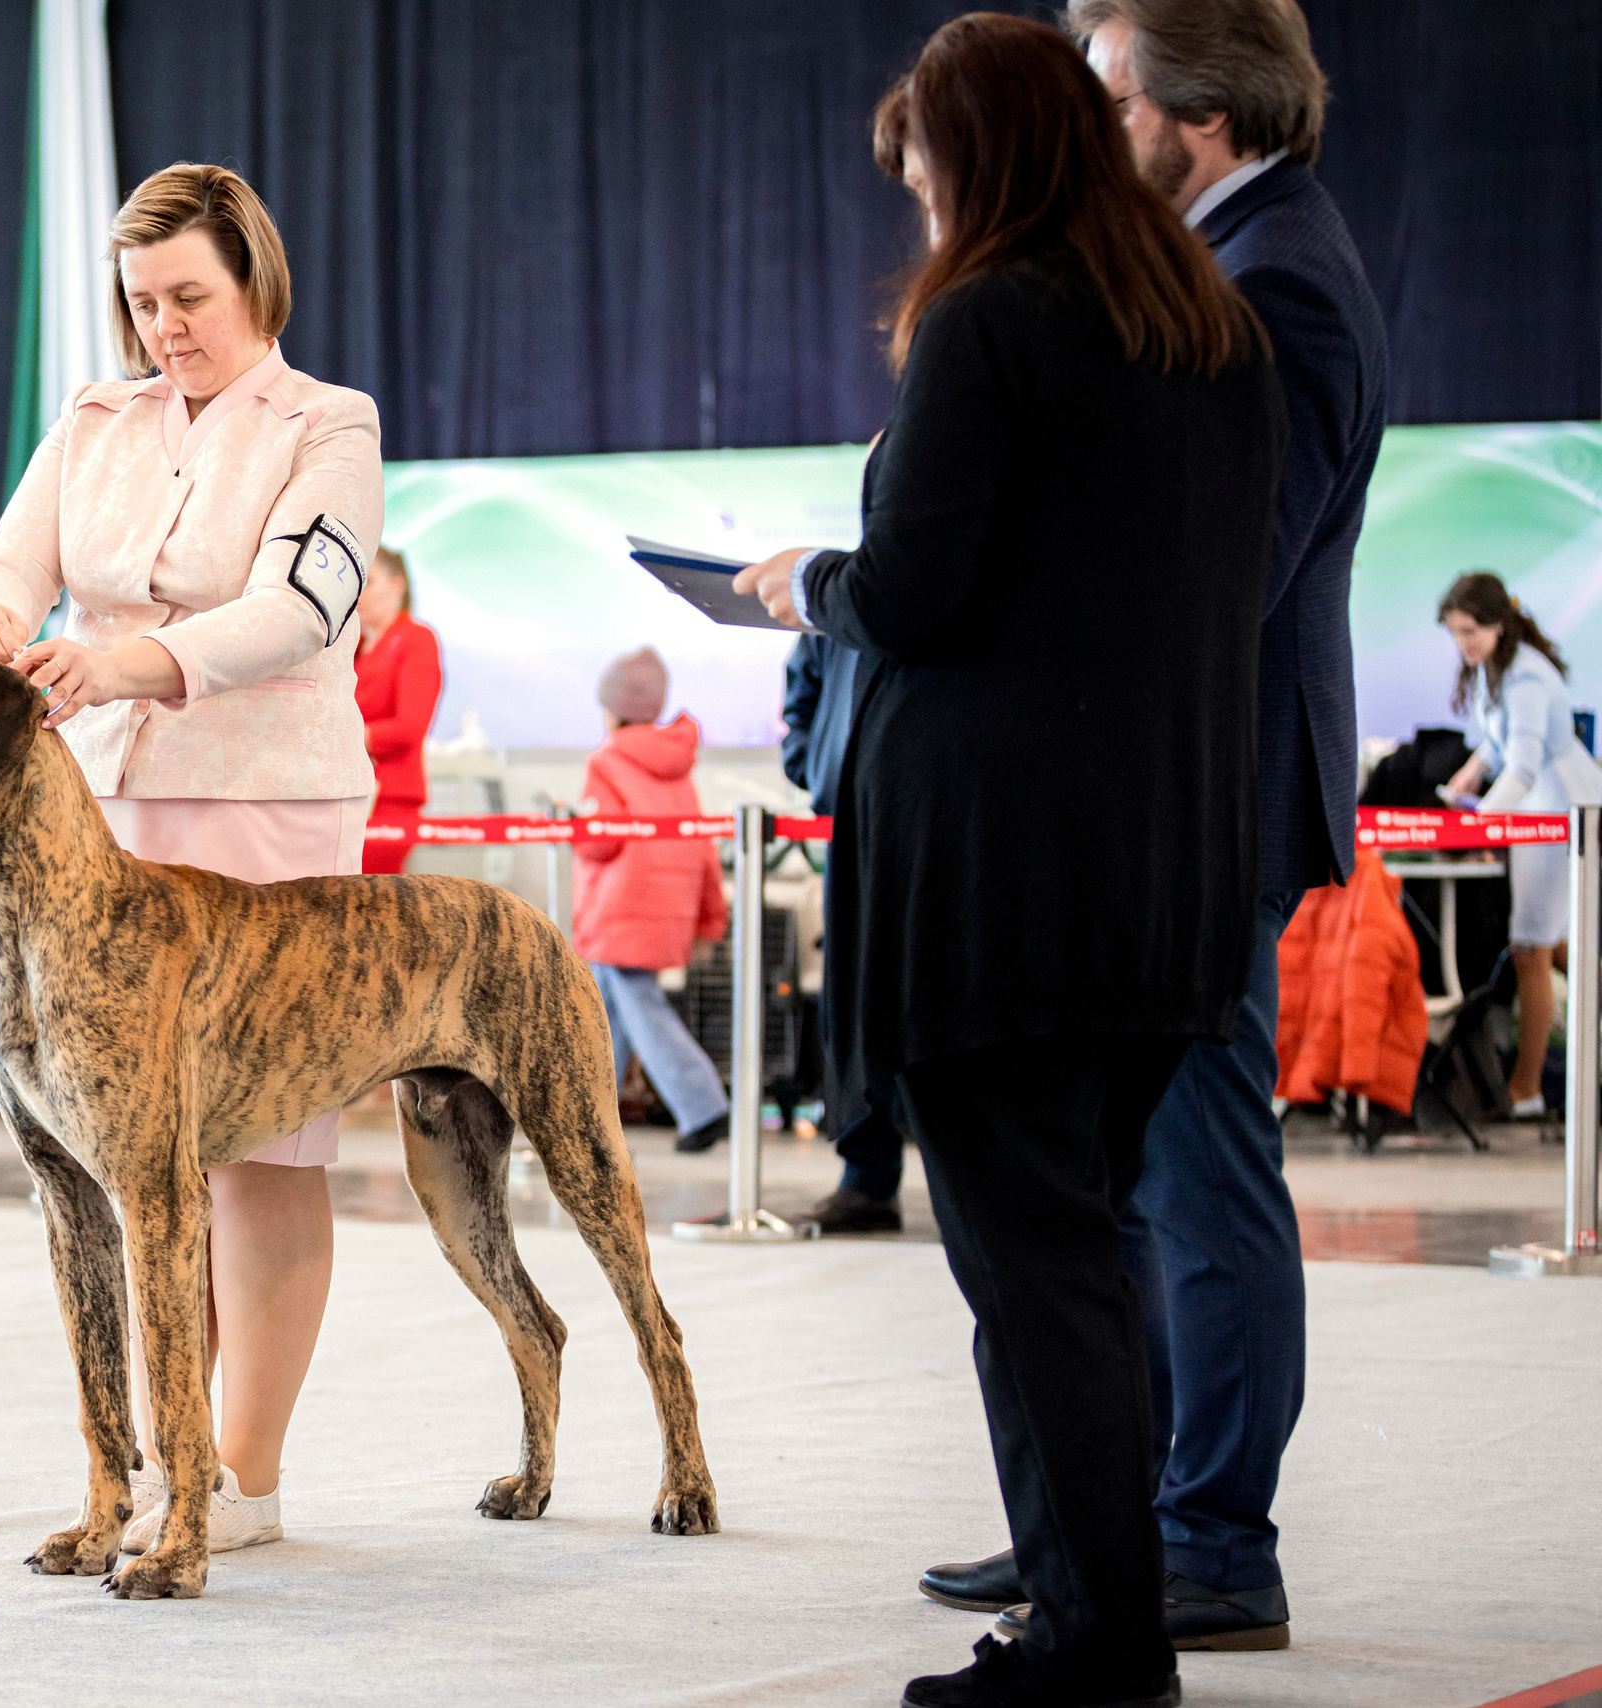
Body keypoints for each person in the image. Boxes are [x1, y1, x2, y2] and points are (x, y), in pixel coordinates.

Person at [740, 16, 1281, 1705]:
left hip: (1001, 891)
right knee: (1080, 1258)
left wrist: (808, 581)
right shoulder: (1211, 331)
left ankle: (1098, 1643)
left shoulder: (990, 317)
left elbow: (914, 592)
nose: (923, 218)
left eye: (926, 185)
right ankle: (1094, 1612)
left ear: (977, 163)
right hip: (1165, 876)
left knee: (1035, 1276)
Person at [911, 0, 1393, 1657]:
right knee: (1113, 1186)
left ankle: (1213, 1540)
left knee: (1198, 1176)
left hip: (1204, 786)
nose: (1095, 139)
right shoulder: (1225, 263)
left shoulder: (1276, 281)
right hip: (1166, 782)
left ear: (1199, 116)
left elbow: (1218, 570)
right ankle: (1103, 1523)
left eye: (1112, 102)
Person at [0, 161, 381, 1554]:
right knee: (134, 1166)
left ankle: (245, 1478)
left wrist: (124, 662)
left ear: (255, 278)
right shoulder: (94, 421)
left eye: (189, 295)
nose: (165, 327)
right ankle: (155, 1463)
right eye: (143, 302)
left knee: (263, 1154)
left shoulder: (329, 423)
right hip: (102, 818)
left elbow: (300, 609)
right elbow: (8, 564)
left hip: (268, 816)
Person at [1436, 572, 1601, 1116]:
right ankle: (1527, 1086)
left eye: (1470, 632)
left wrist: (1479, 826)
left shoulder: (1527, 676)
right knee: (1555, 947)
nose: (1463, 644)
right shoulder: (1501, 669)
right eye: (1455, 633)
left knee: (1531, 948)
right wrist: (1470, 774)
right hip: (1542, 810)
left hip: (1556, 812)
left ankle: (1525, 1089)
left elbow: (1524, 765)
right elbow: (1499, 743)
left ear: (1498, 625)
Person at [575, 647, 729, 1153]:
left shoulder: (607, 761)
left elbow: (598, 842)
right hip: (667, 910)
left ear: (613, 709)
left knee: (638, 1007)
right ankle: (589, 1122)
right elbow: (703, 847)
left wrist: (573, 822)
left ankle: (702, 1105)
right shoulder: (678, 766)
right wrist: (710, 918)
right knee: (608, 1013)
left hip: (618, 911)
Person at [778, 631, 903, 1232]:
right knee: (854, 1005)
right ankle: (866, 1178)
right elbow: (802, 693)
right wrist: (818, 764)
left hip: (940, 811)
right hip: (852, 821)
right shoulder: (834, 604)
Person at [352, 545, 441, 874]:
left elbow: (410, 726)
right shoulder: (356, 647)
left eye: (369, 582)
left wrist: (347, 737)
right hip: (353, 789)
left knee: (364, 895)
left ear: (397, 585)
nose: (359, 594)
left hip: (390, 795)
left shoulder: (416, 639)